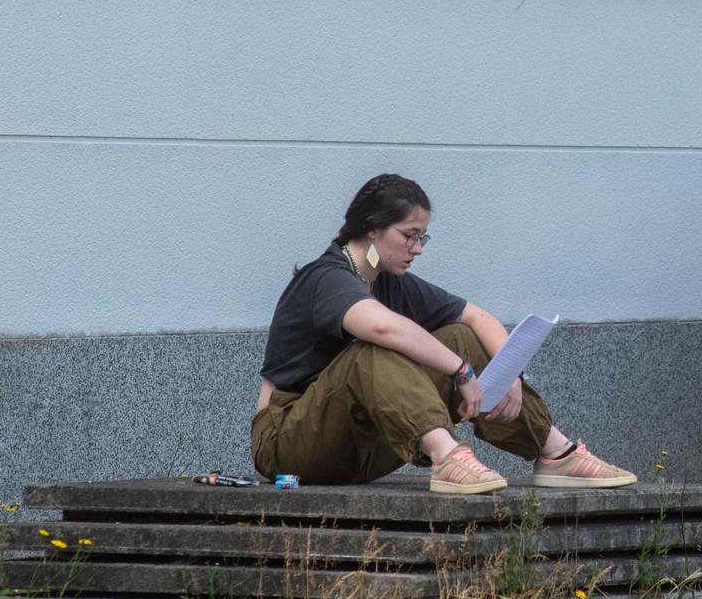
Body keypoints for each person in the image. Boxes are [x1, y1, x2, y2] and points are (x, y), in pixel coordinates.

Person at [252, 174, 638, 494]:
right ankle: (447, 456)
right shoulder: (326, 278)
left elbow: (478, 317)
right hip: (288, 445)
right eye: (409, 235)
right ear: (371, 229)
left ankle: (556, 453)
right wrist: (461, 372)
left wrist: (513, 372)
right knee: (373, 350)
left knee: (459, 335)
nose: (417, 248)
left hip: (358, 446)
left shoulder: (391, 282)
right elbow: (382, 326)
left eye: (423, 237)